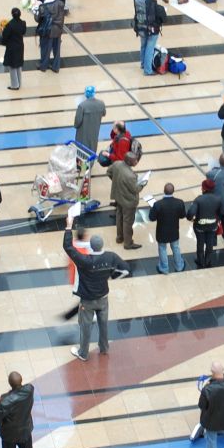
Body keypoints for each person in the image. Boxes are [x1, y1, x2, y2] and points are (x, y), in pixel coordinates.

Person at [65, 216, 123, 361]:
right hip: (103, 297)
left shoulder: (84, 261)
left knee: (85, 325)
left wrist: (68, 226)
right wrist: (111, 276)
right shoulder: (109, 257)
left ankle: (83, 353)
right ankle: (104, 347)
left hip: (88, 300)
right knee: (103, 323)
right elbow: (125, 270)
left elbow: (68, 247)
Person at [149, 182, 187, 274]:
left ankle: (164, 268)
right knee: (176, 247)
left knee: (162, 248)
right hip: (174, 230)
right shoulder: (179, 202)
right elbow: (183, 216)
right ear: (173, 191)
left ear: (164, 191)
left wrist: (152, 208)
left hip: (161, 231)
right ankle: (179, 266)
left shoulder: (158, 204)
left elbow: (151, 218)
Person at [109, 153, 142, 252]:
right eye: (135, 160)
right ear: (129, 161)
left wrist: (116, 181)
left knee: (119, 217)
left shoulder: (117, 164)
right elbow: (136, 189)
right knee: (127, 222)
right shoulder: (130, 176)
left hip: (118, 197)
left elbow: (108, 172)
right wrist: (143, 183)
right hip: (128, 201)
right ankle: (128, 243)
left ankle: (119, 237)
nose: (136, 162)